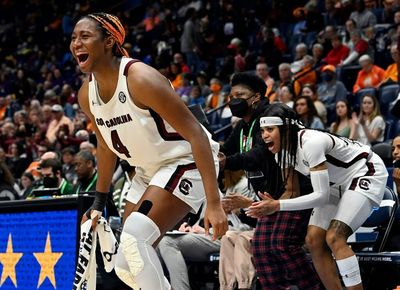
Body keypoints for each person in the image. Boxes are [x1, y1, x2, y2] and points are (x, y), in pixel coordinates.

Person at [70, 12, 227, 290]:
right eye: (73, 38)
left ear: (108, 41)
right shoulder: (86, 94)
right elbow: (106, 145)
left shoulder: (139, 77)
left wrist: (213, 203)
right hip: (147, 171)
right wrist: (98, 202)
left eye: (85, 36)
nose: (76, 44)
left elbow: (195, 134)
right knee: (124, 264)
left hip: (185, 159)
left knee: (134, 239)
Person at [251, 103, 388, 290]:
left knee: (334, 236)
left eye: (270, 129)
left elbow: (321, 196)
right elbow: (291, 192)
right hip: (335, 184)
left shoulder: (311, 142)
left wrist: (277, 205)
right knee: (314, 240)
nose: (264, 135)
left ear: (286, 129)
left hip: (365, 171)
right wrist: (259, 204)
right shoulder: (281, 154)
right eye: (262, 130)